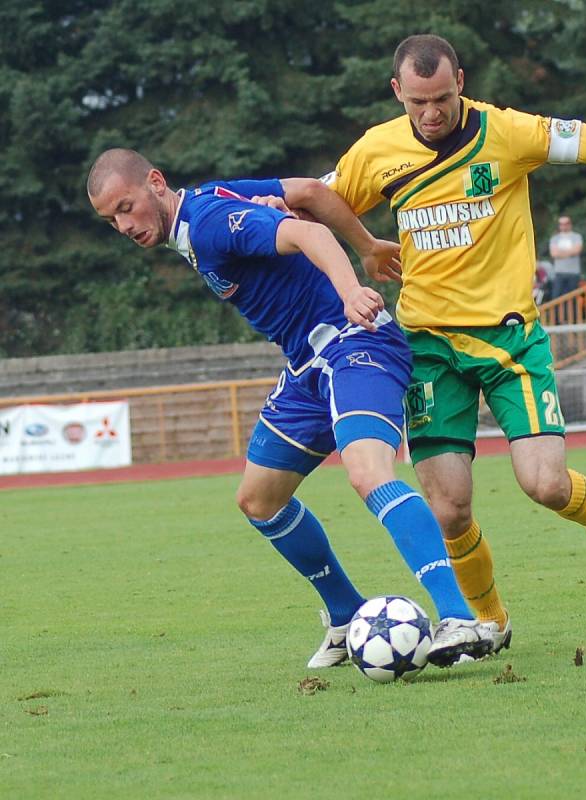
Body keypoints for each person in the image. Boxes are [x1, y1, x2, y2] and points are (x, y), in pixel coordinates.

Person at [291, 34, 586, 645]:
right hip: (429, 346)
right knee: (448, 508)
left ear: (461, 81)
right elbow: (311, 204)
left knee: (544, 484)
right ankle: (489, 624)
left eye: (440, 98)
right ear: (397, 92)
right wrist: (352, 247)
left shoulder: (511, 133)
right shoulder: (375, 151)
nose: (430, 114)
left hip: (510, 339)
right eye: (417, 102)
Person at [86, 148, 497, 669]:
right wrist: (368, 244)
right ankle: (346, 613)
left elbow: (309, 232)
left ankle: (458, 619)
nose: (124, 225)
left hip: (356, 344)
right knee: (259, 500)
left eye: (126, 207)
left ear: (155, 183)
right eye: (111, 219)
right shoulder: (204, 206)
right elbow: (306, 192)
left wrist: (352, 288)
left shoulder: (210, 223)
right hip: (307, 366)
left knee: (368, 473)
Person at [549, 216, 584, 298]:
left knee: (573, 298)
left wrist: (560, 253)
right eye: (561, 224)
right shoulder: (554, 238)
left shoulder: (576, 237)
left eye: (566, 223)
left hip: (573, 272)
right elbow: (553, 254)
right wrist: (570, 252)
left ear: (570, 224)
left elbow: (577, 250)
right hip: (559, 272)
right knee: (556, 296)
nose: (564, 226)